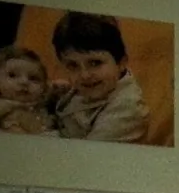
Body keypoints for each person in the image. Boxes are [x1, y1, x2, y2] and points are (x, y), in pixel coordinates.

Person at [51, 11, 149, 143]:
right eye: (73, 65)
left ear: (121, 63)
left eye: (95, 63)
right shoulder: (95, 86)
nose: (84, 75)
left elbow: (84, 156)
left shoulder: (127, 110)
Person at [0, 46, 58, 134]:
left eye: (33, 78)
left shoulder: (45, 112)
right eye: (12, 75)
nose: (24, 82)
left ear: (44, 88)